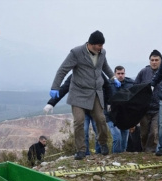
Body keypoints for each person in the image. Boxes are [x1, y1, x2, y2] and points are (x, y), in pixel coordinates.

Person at [49, 30, 121, 160]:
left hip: (95, 93)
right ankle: (81, 150)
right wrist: (55, 87)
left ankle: (103, 143)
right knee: (79, 121)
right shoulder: (76, 53)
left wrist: (112, 77)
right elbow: (63, 69)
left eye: (102, 45)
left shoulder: (102, 53)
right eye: (99, 45)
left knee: (101, 119)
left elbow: (105, 66)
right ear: (92, 44)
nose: (102, 48)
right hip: (78, 93)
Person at [43, 74, 101, 155]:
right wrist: (51, 103)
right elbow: (63, 89)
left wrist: (109, 103)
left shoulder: (97, 74)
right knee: (83, 132)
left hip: (95, 109)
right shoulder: (74, 76)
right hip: (81, 109)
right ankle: (84, 153)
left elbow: (107, 88)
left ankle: (100, 152)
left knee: (99, 131)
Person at [134, 50, 162, 152]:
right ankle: (145, 150)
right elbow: (135, 87)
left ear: (161, 61)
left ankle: (150, 153)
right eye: (152, 60)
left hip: (158, 109)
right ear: (149, 61)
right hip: (144, 109)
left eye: (156, 60)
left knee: (154, 133)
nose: (154, 62)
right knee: (144, 133)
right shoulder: (143, 72)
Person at [105, 66, 134, 153]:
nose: (120, 75)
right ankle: (116, 157)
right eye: (118, 73)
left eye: (122, 73)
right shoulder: (108, 85)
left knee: (124, 140)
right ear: (115, 74)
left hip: (125, 116)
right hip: (111, 116)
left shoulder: (130, 83)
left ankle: (122, 157)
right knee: (117, 137)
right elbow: (104, 101)